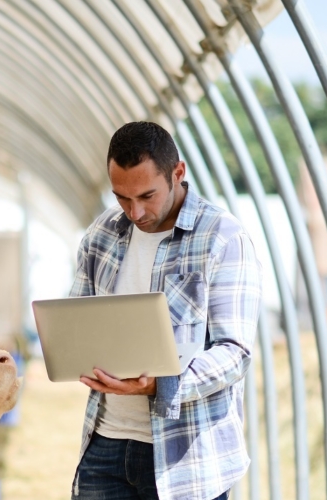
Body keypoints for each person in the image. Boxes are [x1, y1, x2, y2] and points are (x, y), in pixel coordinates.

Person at [69, 122, 260, 500]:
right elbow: (77, 320)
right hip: (105, 442)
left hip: (186, 457)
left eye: (146, 195)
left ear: (178, 173)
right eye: (122, 197)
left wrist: (163, 383)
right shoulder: (102, 233)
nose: (135, 211)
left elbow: (235, 353)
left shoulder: (222, 237)